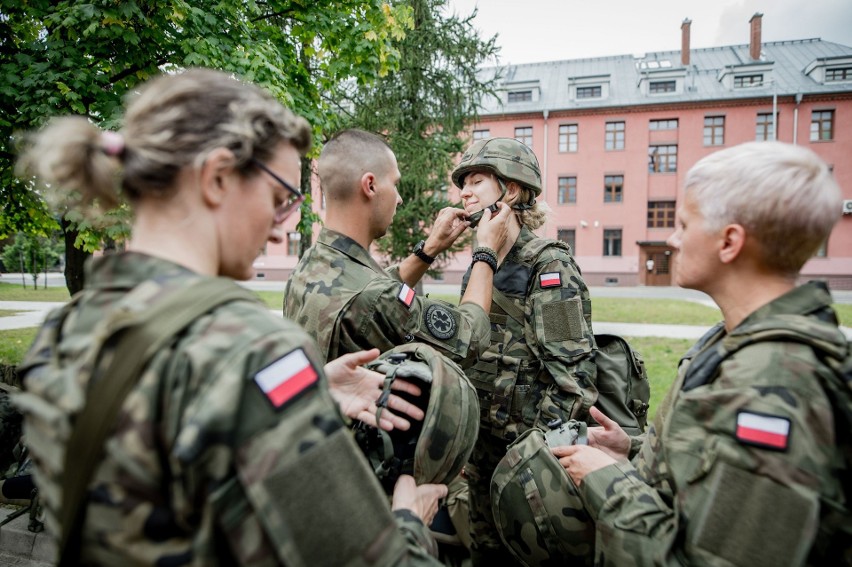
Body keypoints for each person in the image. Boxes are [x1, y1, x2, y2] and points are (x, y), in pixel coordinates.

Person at [12, 68, 448, 566]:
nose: (280, 227)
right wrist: (410, 518)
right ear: (218, 176)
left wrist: (307, 394)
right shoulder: (253, 351)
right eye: (279, 199)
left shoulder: (67, 329)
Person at [554, 141, 849, 566]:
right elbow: (712, 475)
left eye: (684, 225)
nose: (672, 239)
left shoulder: (770, 387)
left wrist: (606, 481)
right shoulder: (738, 340)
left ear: (729, 242)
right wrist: (633, 451)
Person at [450, 137, 598, 565]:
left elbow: (574, 382)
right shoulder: (483, 263)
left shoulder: (548, 267)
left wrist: (536, 461)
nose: (464, 192)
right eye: (463, 183)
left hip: (524, 464)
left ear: (511, 191)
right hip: (480, 457)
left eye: (476, 181)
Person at [284, 129, 511, 368]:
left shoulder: (310, 264)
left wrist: (429, 249)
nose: (400, 198)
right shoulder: (374, 298)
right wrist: (486, 251)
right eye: (394, 184)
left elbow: (372, 287)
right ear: (370, 186)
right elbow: (470, 338)